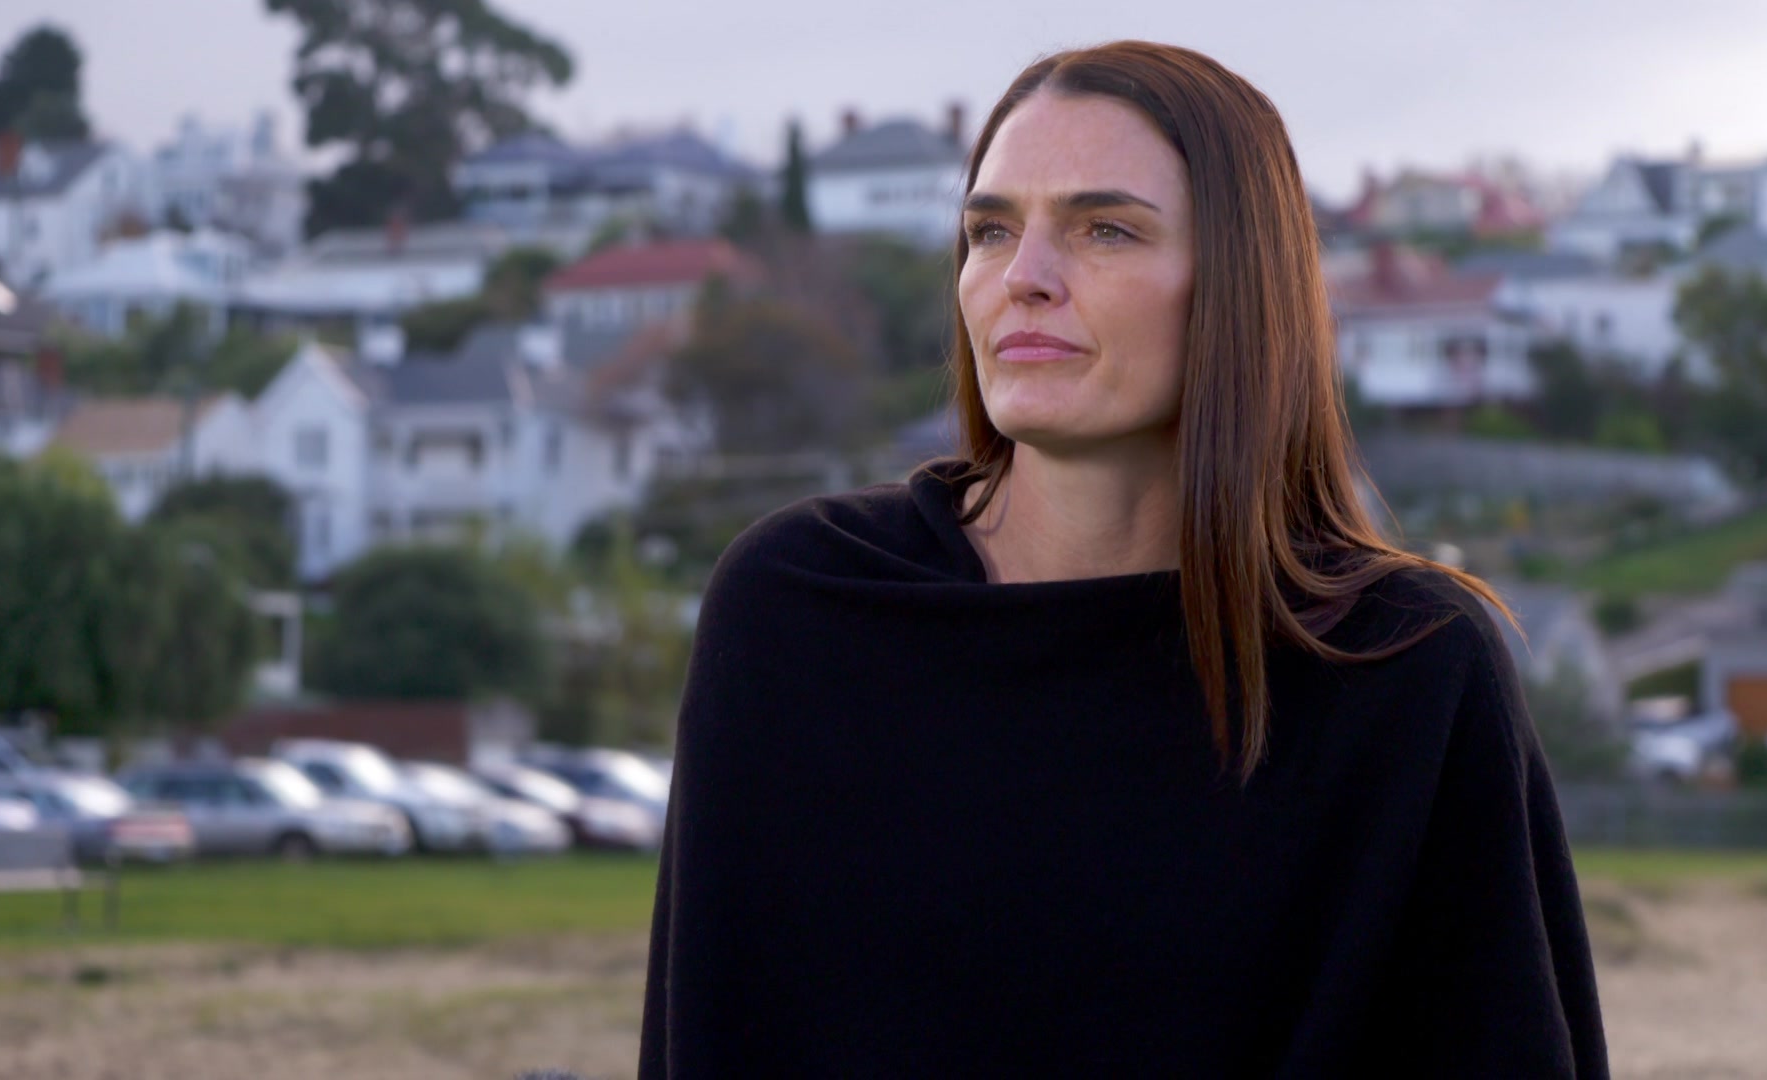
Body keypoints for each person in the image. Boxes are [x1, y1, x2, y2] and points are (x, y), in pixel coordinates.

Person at [640, 40, 1608, 1078]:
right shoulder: (804, 611)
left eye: (1104, 229)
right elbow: (713, 1037)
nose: (1025, 279)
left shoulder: (1405, 667)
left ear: (1240, 281)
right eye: (990, 230)